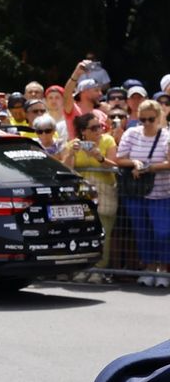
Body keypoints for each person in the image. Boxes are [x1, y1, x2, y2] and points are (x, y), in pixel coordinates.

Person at [114, 99, 170, 287]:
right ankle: (148, 267)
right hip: (136, 193)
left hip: (161, 193)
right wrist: (135, 163)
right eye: (142, 119)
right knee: (141, 231)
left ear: (159, 117)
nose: (146, 123)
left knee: (161, 233)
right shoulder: (131, 133)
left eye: (150, 119)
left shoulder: (167, 137)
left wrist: (149, 167)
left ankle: (162, 269)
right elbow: (119, 159)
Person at [61, 111, 118, 280]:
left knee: (103, 232)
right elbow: (65, 168)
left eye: (99, 127)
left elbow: (115, 166)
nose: (98, 131)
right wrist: (71, 153)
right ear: (83, 131)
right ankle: (84, 267)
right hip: (82, 195)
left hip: (105, 193)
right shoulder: (73, 144)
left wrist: (99, 157)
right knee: (82, 233)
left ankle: (99, 269)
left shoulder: (108, 141)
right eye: (93, 128)